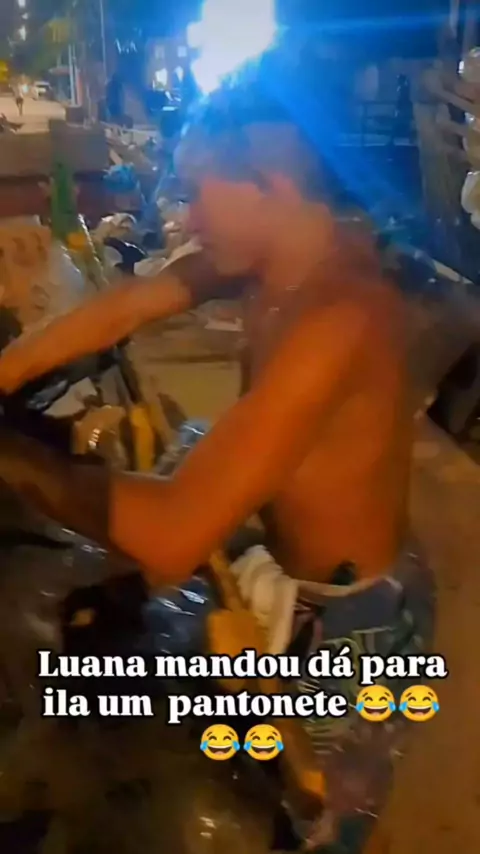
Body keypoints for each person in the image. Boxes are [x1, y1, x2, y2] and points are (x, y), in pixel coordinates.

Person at [0, 56, 434, 851]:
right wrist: (8, 369)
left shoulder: (339, 317)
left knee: (297, 822)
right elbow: (130, 304)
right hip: (297, 573)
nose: (188, 216)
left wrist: (14, 458)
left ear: (270, 183)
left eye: (199, 192)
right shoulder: (276, 262)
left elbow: (174, 535)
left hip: (352, 625)